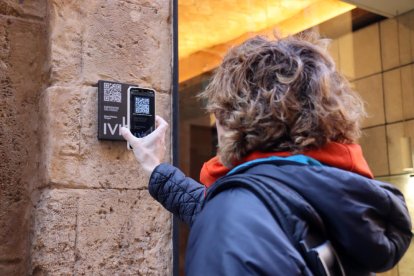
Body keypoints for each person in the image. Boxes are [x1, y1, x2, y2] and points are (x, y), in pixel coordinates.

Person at [121, 33, 412, 275]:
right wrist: (156, 168)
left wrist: (223, 217)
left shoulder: (233, 222)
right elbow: (259, 218)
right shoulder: (335, 195)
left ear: (235, 118)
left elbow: (240, 226)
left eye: (219, 110)